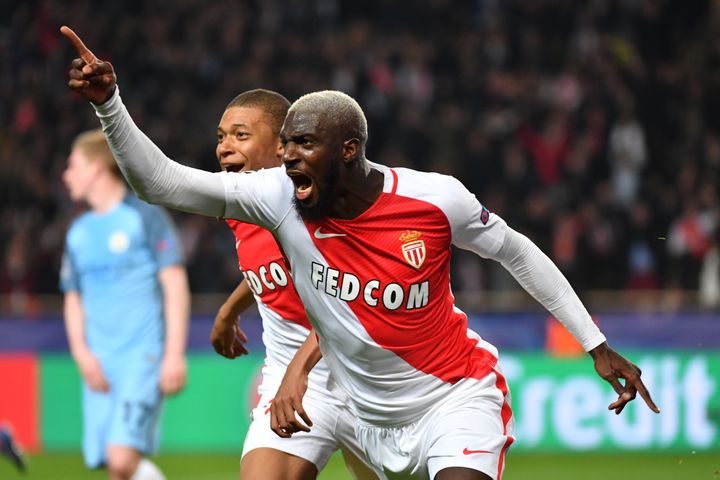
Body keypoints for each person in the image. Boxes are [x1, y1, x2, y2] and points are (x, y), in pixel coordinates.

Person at [61, 26, 659, 480]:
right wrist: (109, 105)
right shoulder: (276, 196)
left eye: (304, 145)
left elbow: (519, 253)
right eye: (286, 145)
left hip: (446, 395)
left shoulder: (434, 201)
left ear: (348, 150)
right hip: (336, 395)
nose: (289, 158)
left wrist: (596, 343)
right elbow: (162, 183)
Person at [208, 88, 376, 479]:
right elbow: (274, 266)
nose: (225, 147)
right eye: (221, 137)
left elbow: (350, 305)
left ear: (281, 147)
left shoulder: (320, 209)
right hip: (298, 381)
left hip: (366, 377)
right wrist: (229, 310)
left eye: (241, 135)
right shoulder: (239, 209)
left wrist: (297, 370)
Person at [60, 127, 190, 480]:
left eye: (73, 165)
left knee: (121, 457)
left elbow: (175, 284)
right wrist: (82, 354)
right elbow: (72, 298)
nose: (66, 175)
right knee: (117, 469)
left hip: (142, 357)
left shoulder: (145, 218)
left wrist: (174, 354)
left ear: (97, 168)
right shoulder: (78, 232)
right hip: (100, 364)